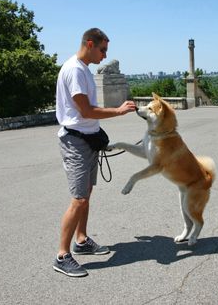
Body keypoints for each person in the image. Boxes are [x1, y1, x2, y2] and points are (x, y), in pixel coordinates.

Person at [53, 28, 136, 277]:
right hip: (76, 142)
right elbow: (86, 111)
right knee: (78, 199)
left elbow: (88, 112)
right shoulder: (75, 70)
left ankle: (81, 240)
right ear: (90, 44)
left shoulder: (84, 69)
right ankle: (61, 255)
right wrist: (118, 111)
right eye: (103, 50)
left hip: (88, 140)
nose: (104, 55)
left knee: (86, 195)